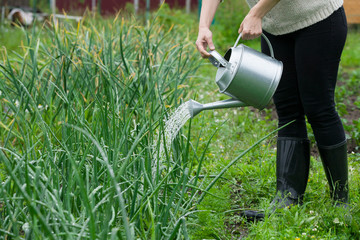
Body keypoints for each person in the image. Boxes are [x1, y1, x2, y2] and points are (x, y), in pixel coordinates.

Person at [196, 0, 349, 218]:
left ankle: (341, 202)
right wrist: (204, 26)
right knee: (287, 109)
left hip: (318, 19)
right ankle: (287, 197)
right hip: (275, 29)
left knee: (319, 107)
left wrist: (256, 12)